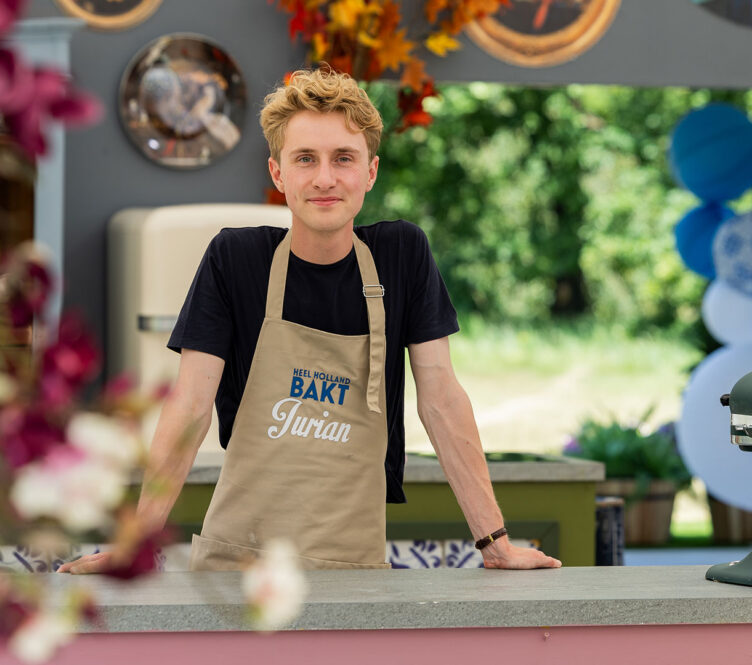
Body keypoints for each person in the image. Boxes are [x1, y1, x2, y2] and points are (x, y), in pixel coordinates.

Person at [60, 67, 561, 573]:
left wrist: (494, 542)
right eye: (305, 159)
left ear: (370, 172)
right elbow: (190, 404)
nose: (325, 178)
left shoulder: (402, 255)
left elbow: (442, 398)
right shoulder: (235, 259)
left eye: (344, 158)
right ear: (279, 174)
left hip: (354, 568)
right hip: (239, 569)